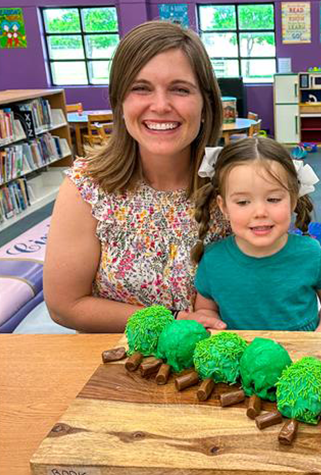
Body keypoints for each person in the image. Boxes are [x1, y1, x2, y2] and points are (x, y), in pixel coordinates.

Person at [44, 21, 231, 332]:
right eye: (140, 88)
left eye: (180, 89)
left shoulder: (233, 185)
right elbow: (65, 306)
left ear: (206, 103)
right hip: (114, 366)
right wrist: (169, 322)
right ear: (119, 101)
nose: (160, 106)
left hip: (221, 365)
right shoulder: (88, 187)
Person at [191, 136, 321, 331]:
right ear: (224, 207)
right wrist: (212, 324)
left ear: (292, 201)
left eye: (273, 199)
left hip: (304, 355)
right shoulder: (213, 259)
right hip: (240, 357)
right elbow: (206, 310)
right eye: (242, 202)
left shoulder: (311, 254)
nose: (260, 212)